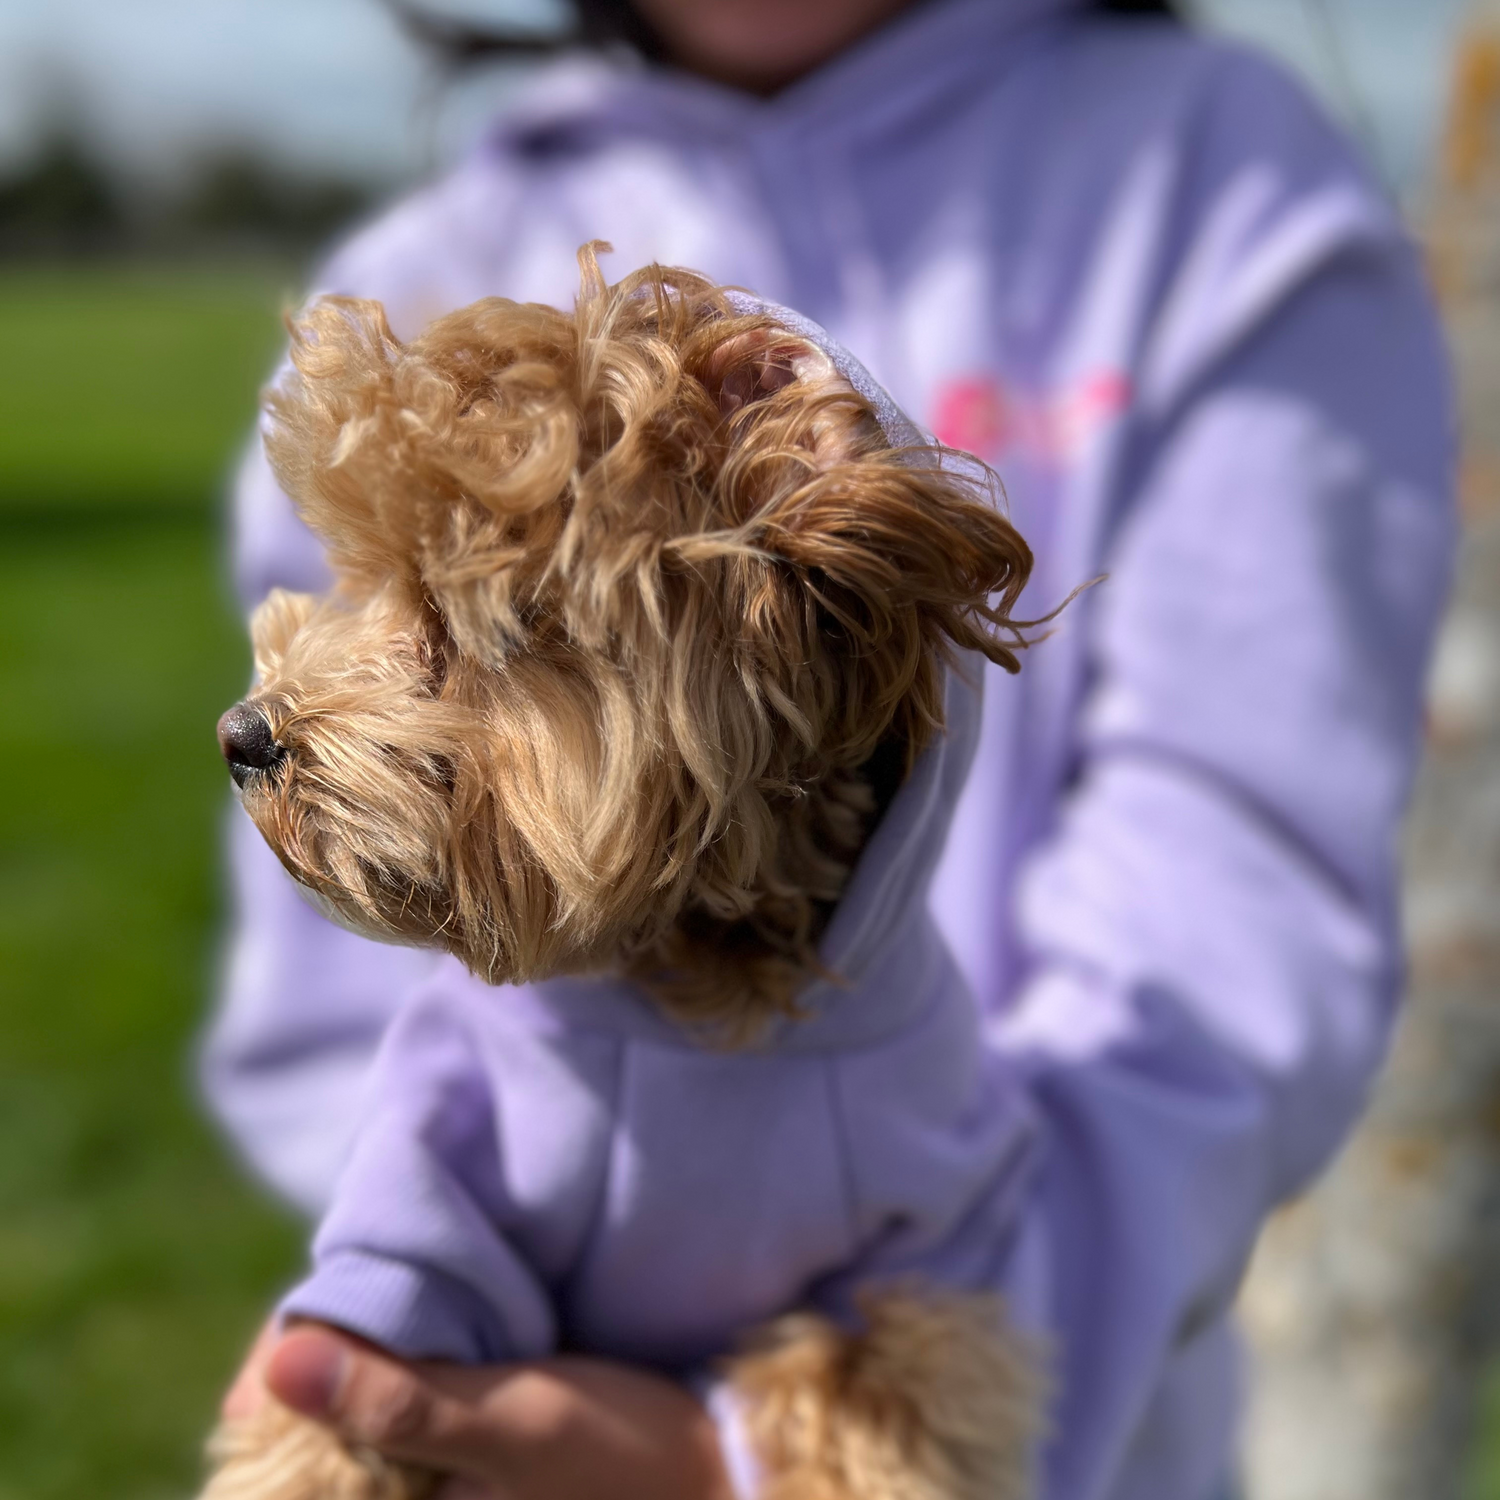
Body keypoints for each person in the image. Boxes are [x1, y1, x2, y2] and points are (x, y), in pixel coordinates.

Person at [202, 0, 1456, 1496]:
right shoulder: (425, 269)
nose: (276, 702)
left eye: (481, 634)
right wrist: (423, 1382)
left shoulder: (1222, 197)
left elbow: (1225, 944)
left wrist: (789, 1465)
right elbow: (336, 1029)